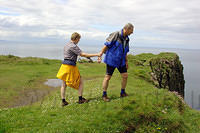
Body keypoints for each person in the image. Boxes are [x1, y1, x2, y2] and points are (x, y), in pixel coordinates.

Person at [57, 32, 100, 106]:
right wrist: (97, 54)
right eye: (79, 39)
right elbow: (83, 54)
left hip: (64, 66)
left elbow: (79, 54)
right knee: (80, 82)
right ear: (76, 38)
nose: (78, 41)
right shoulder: (73, 46)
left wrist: (88, 57)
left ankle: (63, 101)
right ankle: (80, 99)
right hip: (70, 67)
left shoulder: (66, 45)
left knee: (64, 84)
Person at [98, 23, 134, 102]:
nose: (132, 32)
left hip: (121, 61)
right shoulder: (116, 34)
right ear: (127, 29)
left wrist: (126, 61)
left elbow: (125, 51)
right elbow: (106, 45)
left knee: (125, 75)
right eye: (131, 30)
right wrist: (100, 54)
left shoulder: (127, 39)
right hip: (112, 59)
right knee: (108, 77)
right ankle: (104, 95)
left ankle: (122, 92)